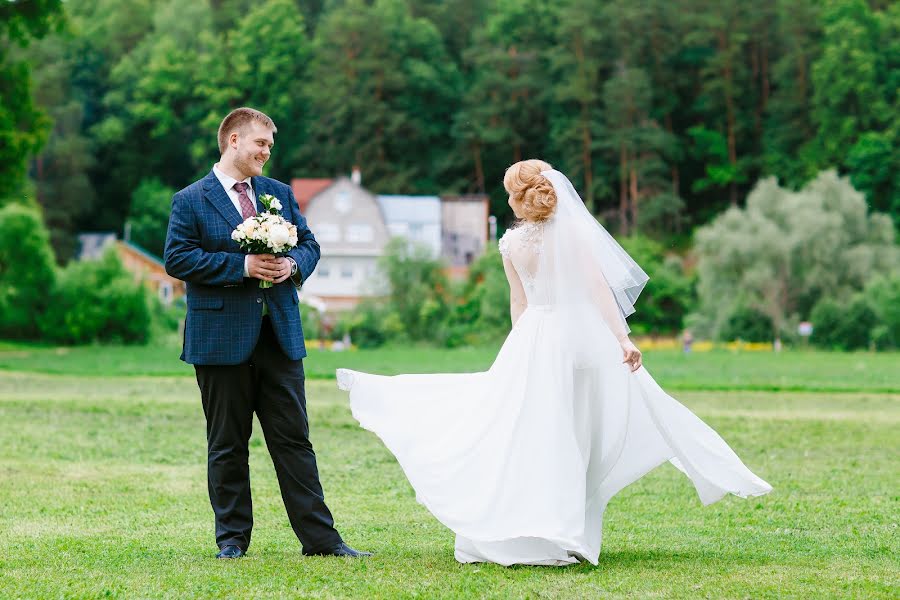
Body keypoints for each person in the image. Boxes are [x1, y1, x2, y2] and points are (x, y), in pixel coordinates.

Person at [336, 159, 771, 566]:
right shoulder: (573, 237)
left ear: (518, 198)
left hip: (535, 336)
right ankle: (564, 531)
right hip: (580, 340)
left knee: (530, 431)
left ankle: (536, 529)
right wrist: (622, 337)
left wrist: (520, 346)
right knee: (576, 431)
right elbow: (599, 291)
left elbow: (518, 301)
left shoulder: (510, 243)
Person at [164, 107, 370, 560]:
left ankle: (321, 541)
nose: (267, 152)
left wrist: (292, 264)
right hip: (219, 339)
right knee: (227, 445)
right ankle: (232, 541)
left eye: (270, 146)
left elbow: (310, 244)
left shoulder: (279, 193)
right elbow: (177, 259)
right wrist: (242, 266)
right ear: (233, 140)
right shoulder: (191, 199)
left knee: (295, 441)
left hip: (279, 335)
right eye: (261, 143)